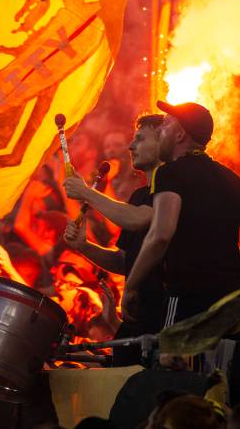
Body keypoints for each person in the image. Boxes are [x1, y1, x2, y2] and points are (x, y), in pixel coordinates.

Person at [123, 101, 240, 327]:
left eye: (166, 124)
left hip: (187, 298)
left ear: (180, 134)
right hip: (230, 298)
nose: (161, 130)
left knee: (175, 360)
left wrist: (131, 285)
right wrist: (229, 268)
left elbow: (161, 234)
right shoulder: (227, 177)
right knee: (221, 362)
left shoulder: (169, 173)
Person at [63, 114, 166, 339]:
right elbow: (123, 261)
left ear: (163, 140)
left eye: (140, 139)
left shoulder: (173, 189)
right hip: (140, 318)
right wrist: (84, 246)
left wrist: (86, 193)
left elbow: (138, 218)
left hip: (168, 318)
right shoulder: (139, 195)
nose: (131, 146)